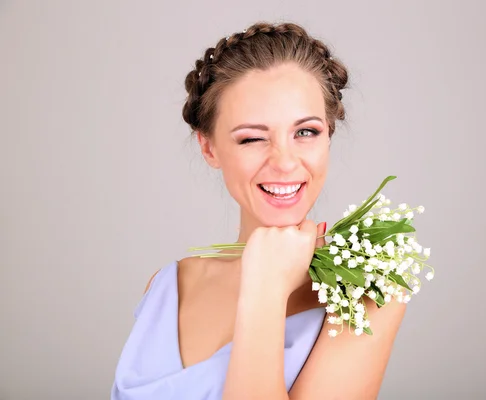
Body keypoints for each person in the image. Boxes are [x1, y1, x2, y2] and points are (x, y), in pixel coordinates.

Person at [111, 21, 407, 400]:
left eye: (306, 132)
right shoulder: (167, 287)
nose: (285, 163)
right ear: (209, 148)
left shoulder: (365, 293)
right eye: (252, 138)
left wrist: (266, 288)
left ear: (328, 135)